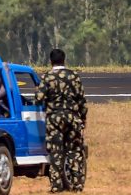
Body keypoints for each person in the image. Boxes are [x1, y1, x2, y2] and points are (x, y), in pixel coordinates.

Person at [36, 49, 88, 193]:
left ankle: (56, 186)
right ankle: (77, 185)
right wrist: (83, 119)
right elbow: (82, 101)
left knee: (56, 152)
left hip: (54, 120)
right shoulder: (74, 76)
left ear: (51, 61)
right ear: (64, 60)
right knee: (75, 151)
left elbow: (38, 98)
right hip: (73, 117)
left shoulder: (47, 77)